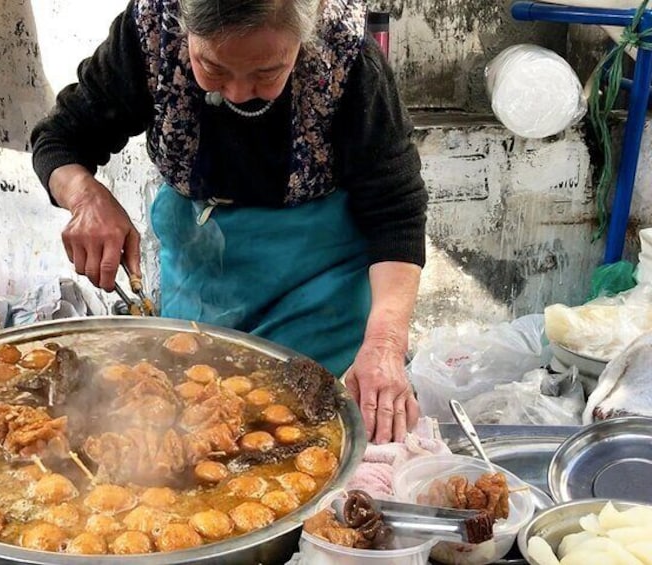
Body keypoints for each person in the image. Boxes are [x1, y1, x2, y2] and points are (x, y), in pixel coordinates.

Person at [31, 0, 428, 444]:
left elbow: (397, 212)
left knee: (308, 434)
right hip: (201, 267)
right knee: (187, 426)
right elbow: (59, 139)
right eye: (212, 68)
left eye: (266, 73)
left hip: (320, 285)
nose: (237, 93)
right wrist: (86, 199)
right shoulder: (150, 33)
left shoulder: (347, 58)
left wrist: (384, 345)